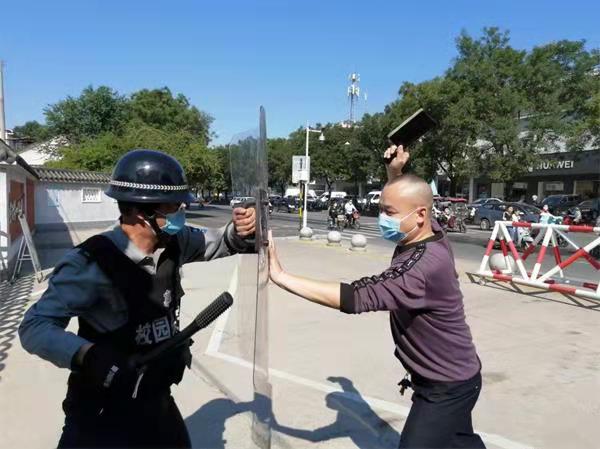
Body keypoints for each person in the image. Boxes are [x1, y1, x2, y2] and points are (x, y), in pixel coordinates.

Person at [18, 149, 256, 448]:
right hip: (102, 413)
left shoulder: (175, 242)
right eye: (174, 206)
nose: (182, 210)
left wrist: (241, 229)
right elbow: (35, 326)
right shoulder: (92, 262)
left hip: (156, 399)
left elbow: (220, 241)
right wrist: (87, 355)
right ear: (142, 212)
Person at [268, 144, 485, 449]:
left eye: (389, 213)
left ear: (421, 215)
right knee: (461, 442)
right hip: (456, 374)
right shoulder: (432, 232)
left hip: (446, 386)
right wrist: (394, 172)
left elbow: (357, 296)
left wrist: (282, 277)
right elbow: (408, 199)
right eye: (382, 209)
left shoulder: (421, 267)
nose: (382, 218)